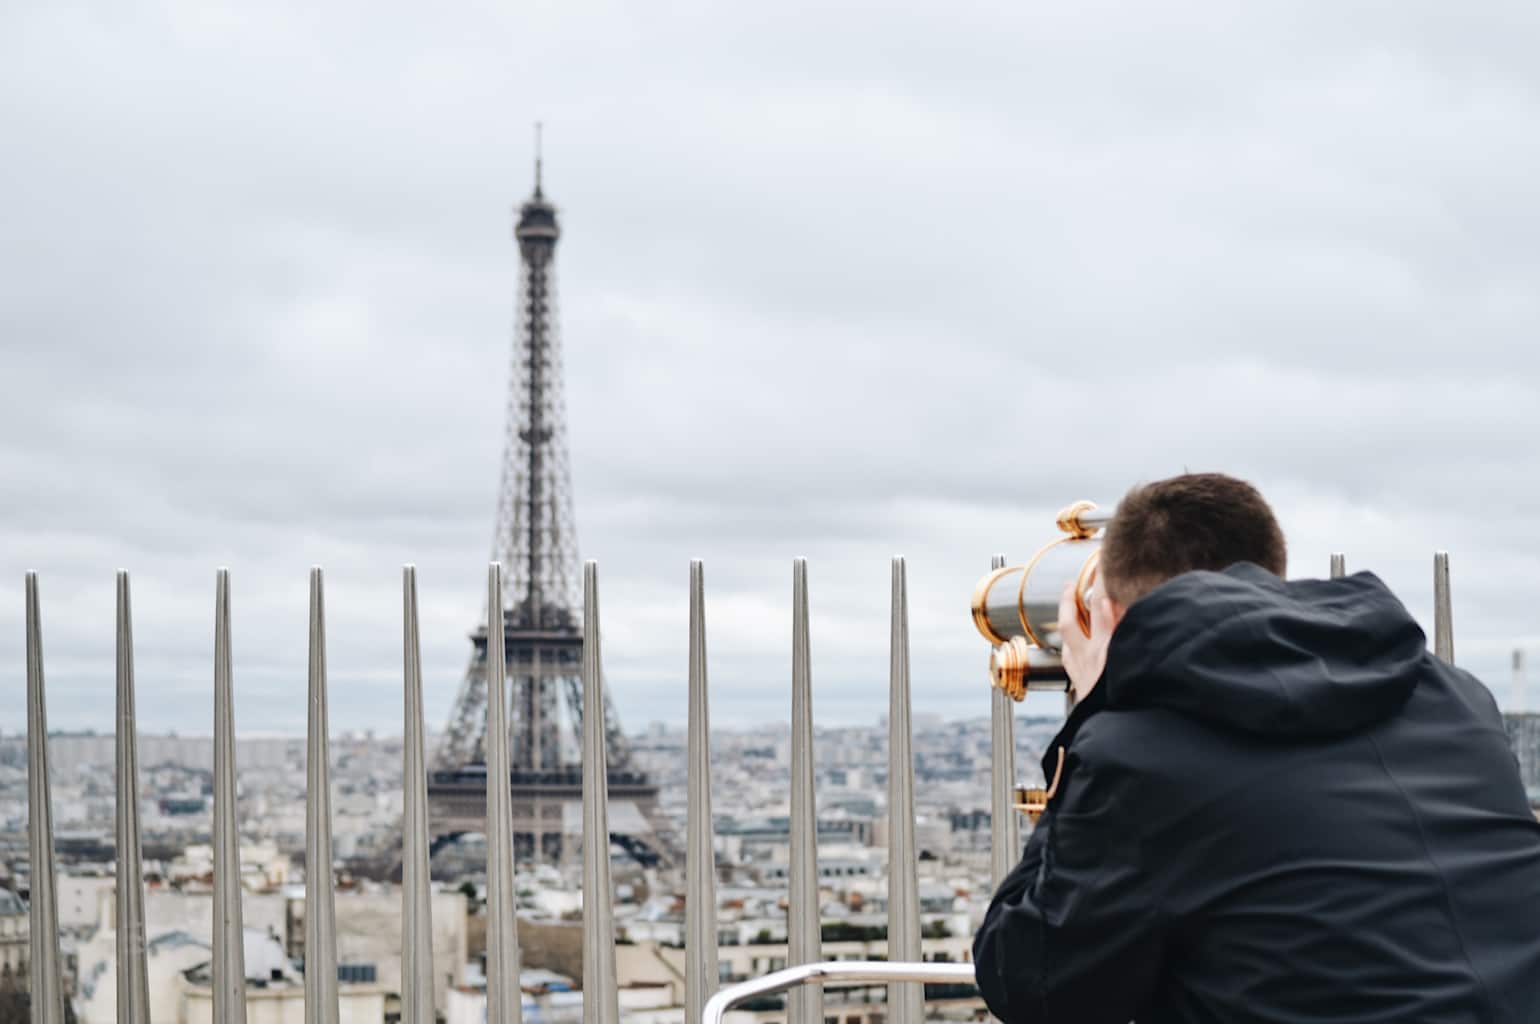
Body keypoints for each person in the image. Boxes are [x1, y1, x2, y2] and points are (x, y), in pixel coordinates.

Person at [972, 472, 1540, 1023]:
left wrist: (1099, 705)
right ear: (1272, 575)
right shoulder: (1460, 698)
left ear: (1109, 616)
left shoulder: (1139, 754)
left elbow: (1030, 985)